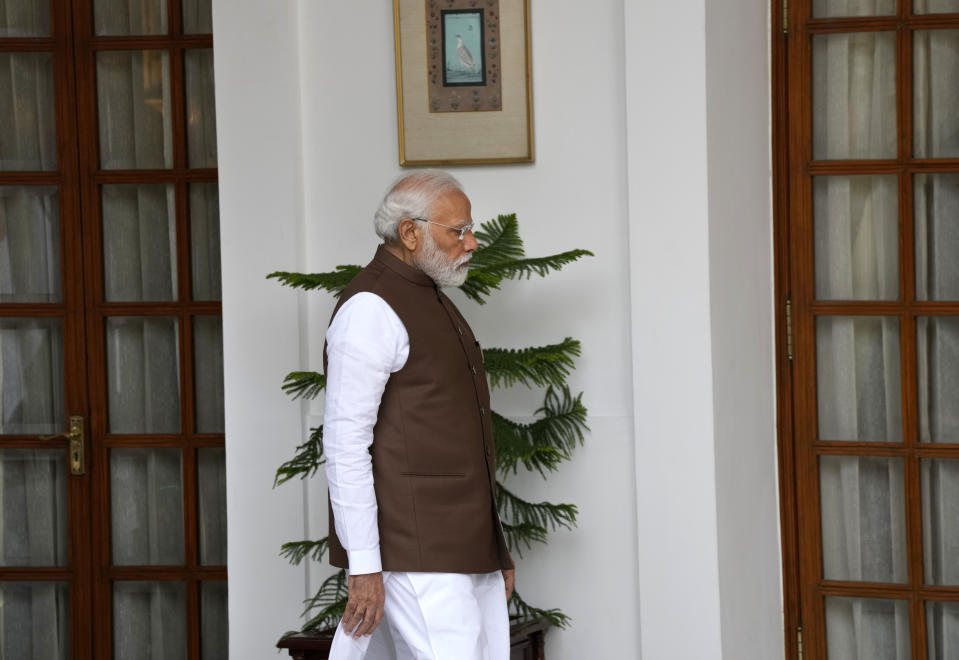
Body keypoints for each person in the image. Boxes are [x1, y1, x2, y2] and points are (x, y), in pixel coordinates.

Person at [322, 170, 515, 660]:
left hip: (461, 548)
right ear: (410, 233)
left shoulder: (428, 296)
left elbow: (461, 440)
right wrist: (364, 567)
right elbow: (345, 445)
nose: (471, 243)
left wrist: (497, 551)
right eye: (459, 230)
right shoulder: (369, 308)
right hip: (416, 550)